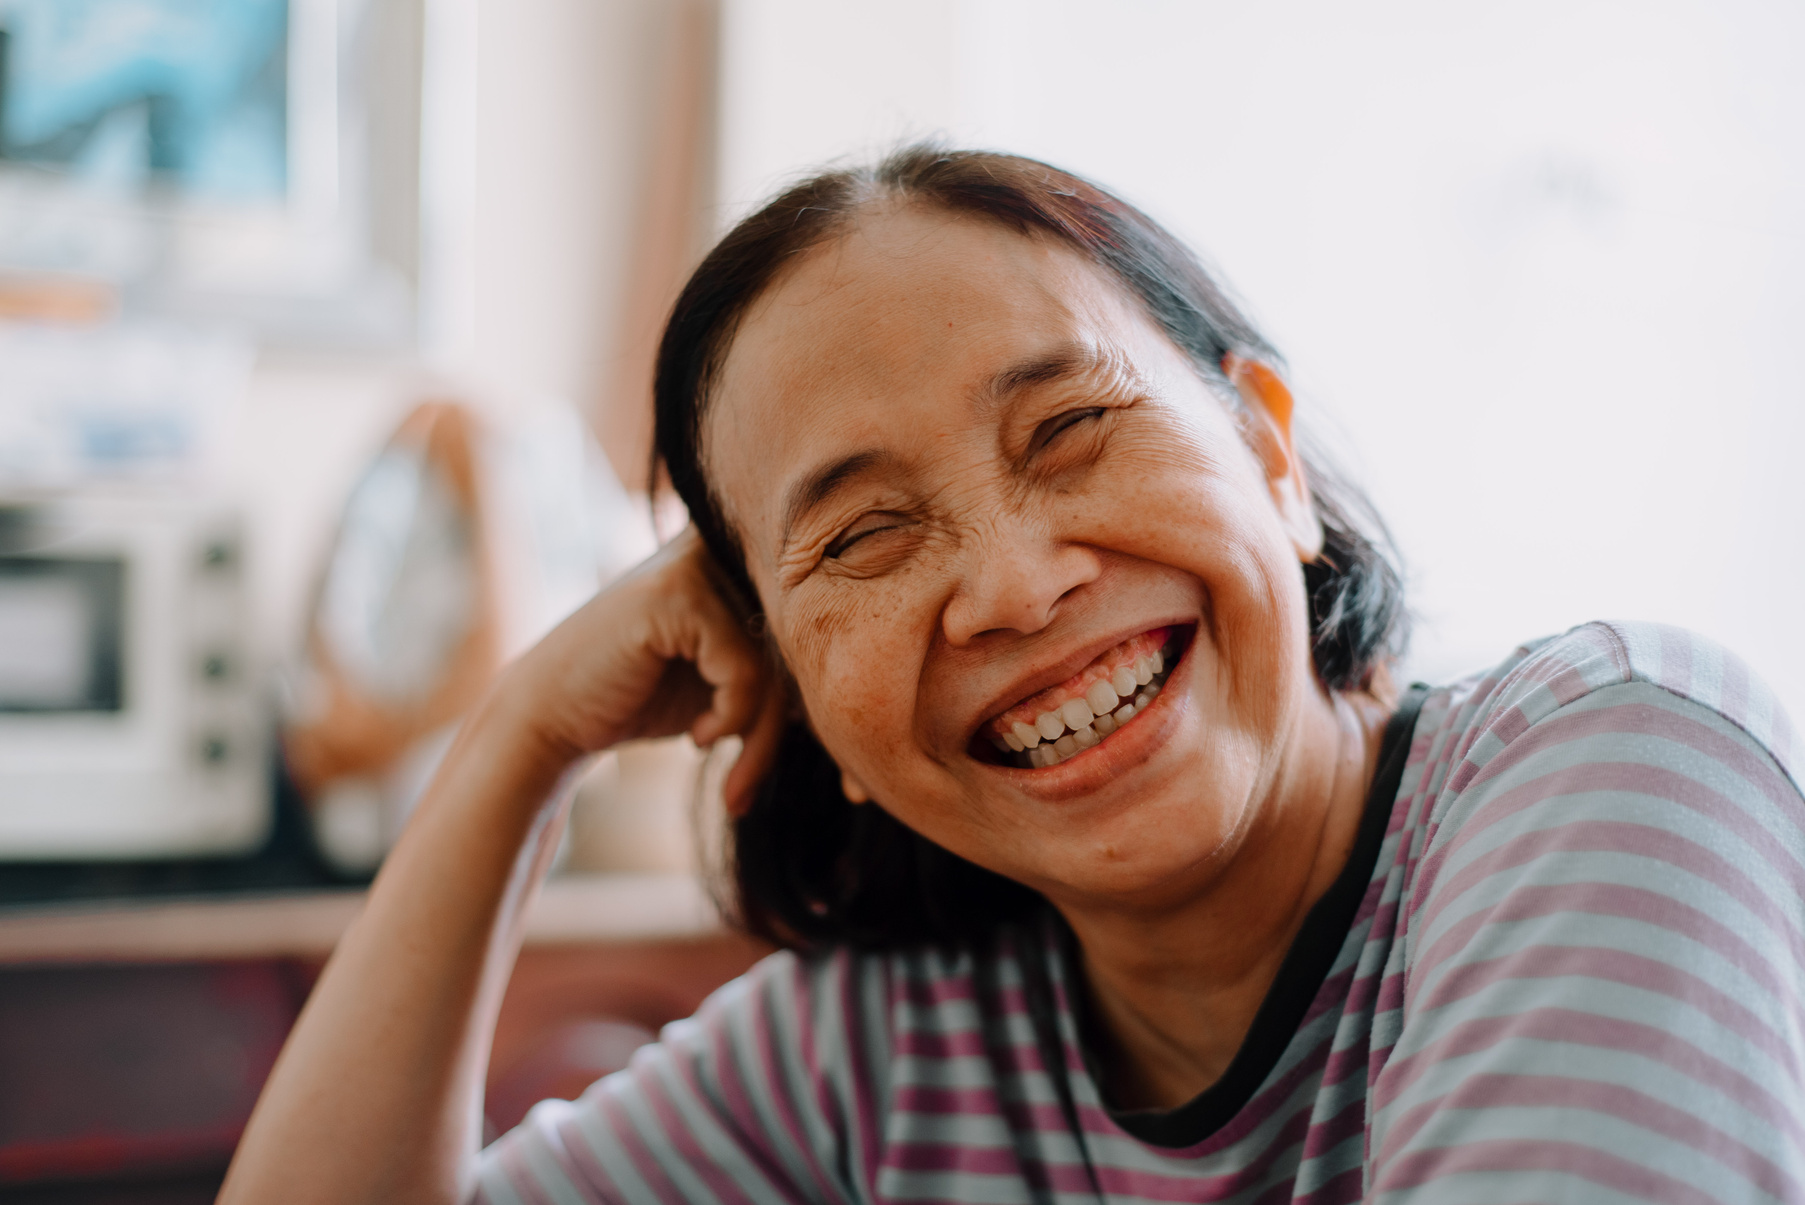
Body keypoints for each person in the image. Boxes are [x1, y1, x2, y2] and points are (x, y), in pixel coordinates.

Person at [221, 147, 1805, 1204]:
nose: (1013, 581)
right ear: (792, 690)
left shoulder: (1611, 763)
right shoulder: (886, 1043)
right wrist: (521, 735)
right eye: (861, 538)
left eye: (1069, 430)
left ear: (1267, 452)